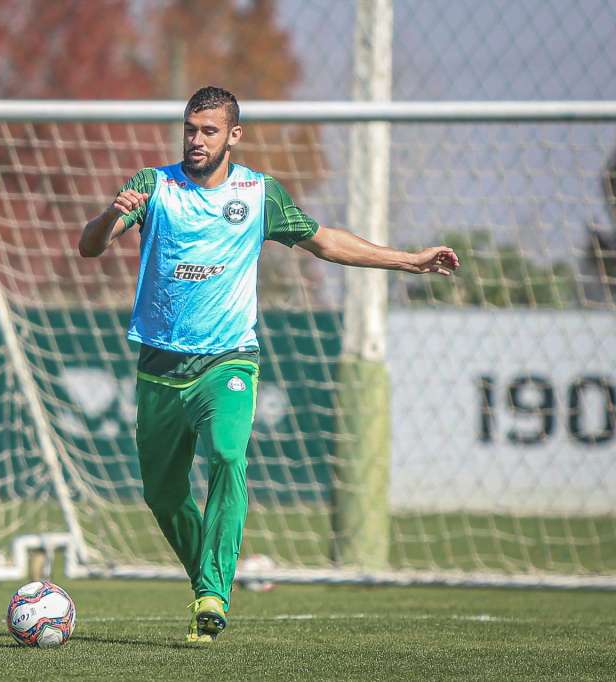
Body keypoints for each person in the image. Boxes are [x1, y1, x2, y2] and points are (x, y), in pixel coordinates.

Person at [78, 86, 459, 643]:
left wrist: (407, 260)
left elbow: (323, 241)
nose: (196, 139)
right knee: (162, 494)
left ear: (234, 135)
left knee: (229, 456)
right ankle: (206, 577)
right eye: (190, 128)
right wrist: (110, 215)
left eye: (208, 130)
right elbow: (91, 247)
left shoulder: (259, 194)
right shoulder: (152, 186)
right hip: (159, 366)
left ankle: (213, 593)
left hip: (229, 360)